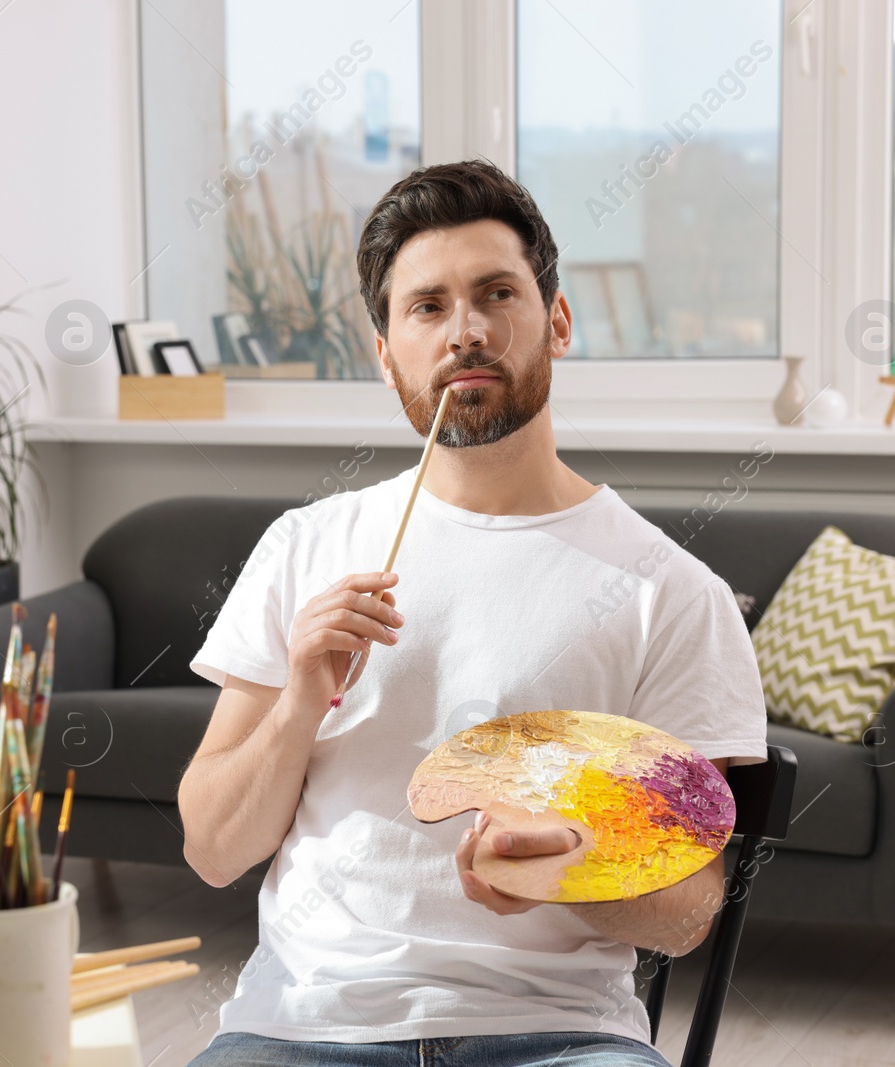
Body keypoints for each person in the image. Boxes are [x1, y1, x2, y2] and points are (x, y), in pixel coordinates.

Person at [179, 158, 767, 1067]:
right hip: (303, 1026)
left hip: (561, 1036)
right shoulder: (307, 548)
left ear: (557, 322)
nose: (467, 331)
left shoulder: (669, 591)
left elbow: (689, 913)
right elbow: (215, 848)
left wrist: (566, 868)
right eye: (427, 307)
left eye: (498, 293)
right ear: (385, 354)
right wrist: (299, 697)